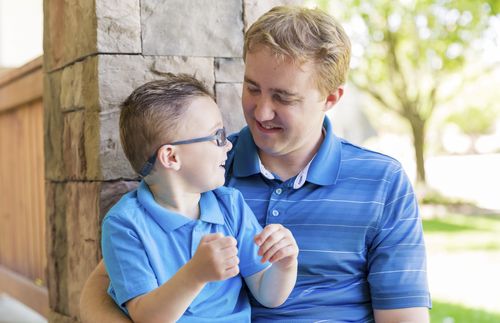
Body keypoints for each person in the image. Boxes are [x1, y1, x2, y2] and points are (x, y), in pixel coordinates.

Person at [80, 5, 431, 322]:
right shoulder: (203, 170)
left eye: (283, 97)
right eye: (252, 88)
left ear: (330, 98)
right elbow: (103, 288)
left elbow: (404, 317)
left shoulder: (383, 183)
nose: (261, 113)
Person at [98, 74, 298, 323]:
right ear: (171, 157)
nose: (228, 146)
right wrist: (194, 275)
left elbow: (268, 294)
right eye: (217, 137)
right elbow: (146, 317)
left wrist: (285, 264)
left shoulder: (230, 206)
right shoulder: (124, 224)